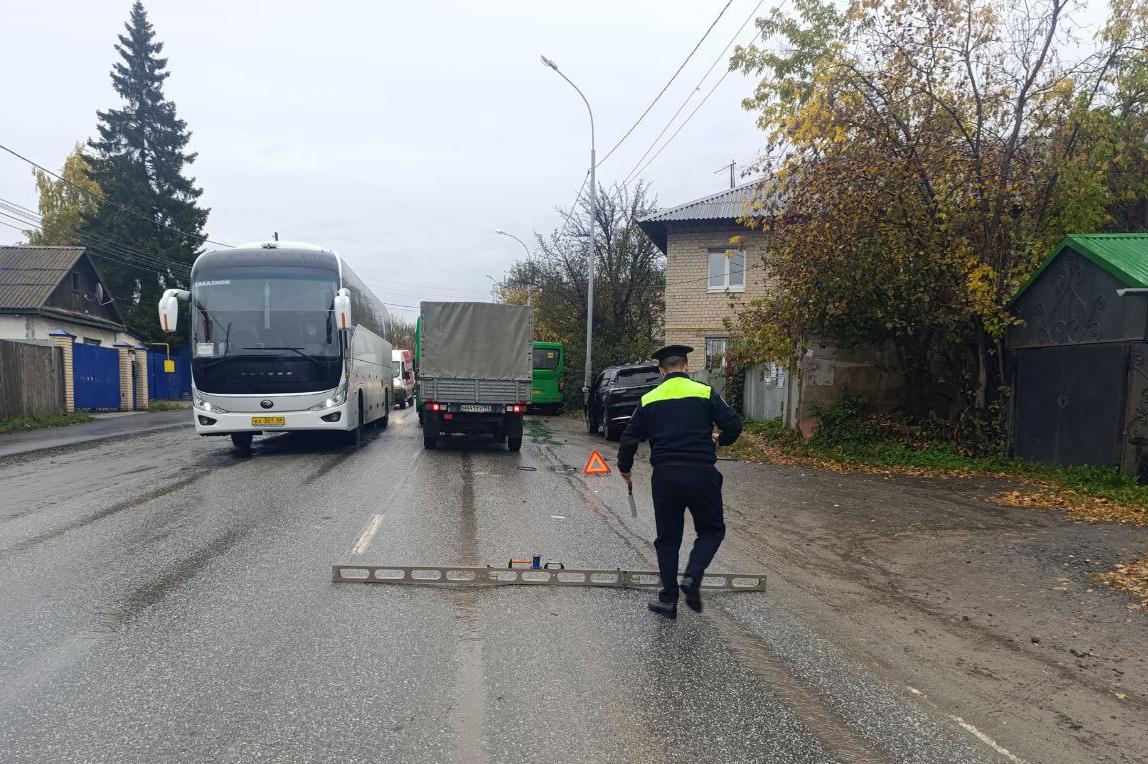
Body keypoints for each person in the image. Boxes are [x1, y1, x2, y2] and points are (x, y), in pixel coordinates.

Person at [617, 345, 743, 619]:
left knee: (668, 539)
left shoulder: (650, 398)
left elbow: (629, 437)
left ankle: (668, 600)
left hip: (666, 477)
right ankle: (693, 577)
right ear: (686, 367)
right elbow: (733, 424)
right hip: (702, 474)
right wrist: (721, 440)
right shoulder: (705, 392)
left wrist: (624, 468)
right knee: (711, 531)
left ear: (662, 371)